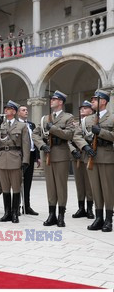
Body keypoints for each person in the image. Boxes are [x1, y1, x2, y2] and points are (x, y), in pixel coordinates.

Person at [73, 90, 114, 232]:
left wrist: (101, 132)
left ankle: (108, 219)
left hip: (107, 157)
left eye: (95, 100)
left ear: (104, 101)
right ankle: (99, 218)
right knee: (95, 188)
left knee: (108, 189)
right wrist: (84, 146)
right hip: (90, 156)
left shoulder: (112, 118)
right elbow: (77, 135)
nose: (92, 102)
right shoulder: (86, 120)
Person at [33, 90, 75, 227]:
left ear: (61, 102)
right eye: (52, 99)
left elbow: (69, 135)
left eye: (55, 99)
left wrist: (54, 129)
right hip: (48, 154)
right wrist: (42, 145)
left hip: (61, 154)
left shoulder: (68, 117)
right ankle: (52, 214)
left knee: (61, 186)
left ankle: (61, 215)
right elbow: (35, 134)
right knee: (50, 186)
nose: (51, 101)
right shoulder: (44, 118)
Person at [0, 100, 30, 223]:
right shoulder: (1, 125)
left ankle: (15, 213)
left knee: (16, 187)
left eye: (8, 109)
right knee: (5, 188)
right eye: (5, 109)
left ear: (14, 111)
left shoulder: (21, 126)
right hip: (2, 159)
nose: (6, 111)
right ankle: (7, 213)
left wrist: (25, 161)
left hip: (15, 158)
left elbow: (26, 144)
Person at [69, 101, 95, 219]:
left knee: (89, 183)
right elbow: (68, 139)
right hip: (77, 156)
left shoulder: (95, 122)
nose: (82, 110)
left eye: (85, 108)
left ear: (91, 110)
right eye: (81, 109)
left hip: (89, 156)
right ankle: (81, 208)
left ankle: (90, 209)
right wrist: (73, 150)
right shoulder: (75, 124)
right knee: (79, 183)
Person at [17, 105, 40, 215]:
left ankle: (27, 206)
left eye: (26, 110)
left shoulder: (31, 124)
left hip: (30, 155)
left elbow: (35, 140)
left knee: (28, 181)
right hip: (19, 155)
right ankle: (16, 206)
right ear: (18, 113)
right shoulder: (15, 124)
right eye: (23, 110)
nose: (26, 111)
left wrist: (37, 157)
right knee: (17, 182)